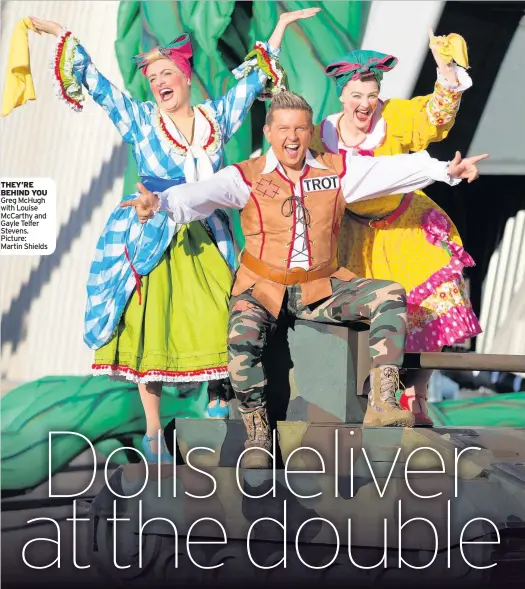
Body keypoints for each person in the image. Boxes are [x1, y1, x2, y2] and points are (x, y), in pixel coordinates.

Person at [121, 90, 487, 468]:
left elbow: (389, 171)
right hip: (262, 288)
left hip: (322, 287)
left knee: (389, 294)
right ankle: (258, 435)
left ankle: (383, 403)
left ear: (310, 132)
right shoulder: (245, 176)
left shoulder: (336, 169)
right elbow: (201, 194)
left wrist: (445, 171)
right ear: (268, 132)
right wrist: (160, 203)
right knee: (241, 337)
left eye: (299, 129)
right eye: (283, 129)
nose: (292, 137)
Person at [28, 9, 320, 462]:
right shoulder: (143, 121)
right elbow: (103, 91)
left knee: (225, 321)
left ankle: (220, 420)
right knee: (151, 328)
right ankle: (151, 434)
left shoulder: (214, 120)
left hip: (207, 238)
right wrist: (67, 39)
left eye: (168, 73)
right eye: (153, 76)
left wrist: (278, 30)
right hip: (152, 236)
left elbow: (247, 87)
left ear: (185, 77)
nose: (160, 81)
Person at [311, 32, 480, 427]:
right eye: (356, 95)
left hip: (405, 226)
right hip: (353, 237)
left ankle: (417, 397)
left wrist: (445, 69)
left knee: (430, 308)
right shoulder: (322, 136)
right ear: (341, 97)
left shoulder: (396, 118)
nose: (365, 104)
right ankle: (370, 403)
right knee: (369, 320)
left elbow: (435, 118)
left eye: (371, 94)